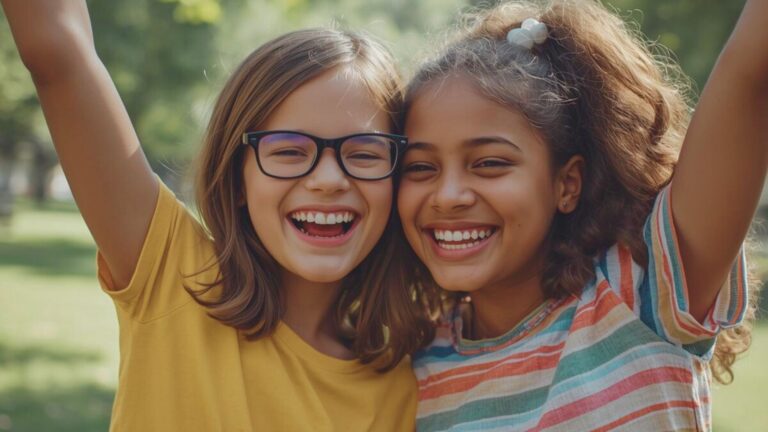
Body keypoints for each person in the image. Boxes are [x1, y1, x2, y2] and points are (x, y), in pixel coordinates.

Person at [1, 1, 435, 430]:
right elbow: (57, 50)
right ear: (237, 179)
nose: (328, 179)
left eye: (363, 154)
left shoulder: (405, 386)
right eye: (287, 151)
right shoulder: (172, 275)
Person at [397, 0, 765, 430]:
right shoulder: (414, 363)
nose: (449, 195)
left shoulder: (643, 291)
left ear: (566, 184)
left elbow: (750, 76)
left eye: (490, 163)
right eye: (420, 167)